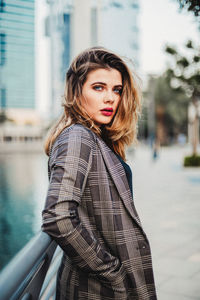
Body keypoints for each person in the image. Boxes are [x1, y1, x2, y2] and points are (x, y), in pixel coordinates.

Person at [42, 47, 157, 300]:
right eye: (98, 87)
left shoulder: (96, 138)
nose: (111, 98)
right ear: (77, 91)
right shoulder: (77, 136)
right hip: (97, 289)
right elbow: (57, 215)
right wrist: (111, 272)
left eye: (116, 90)